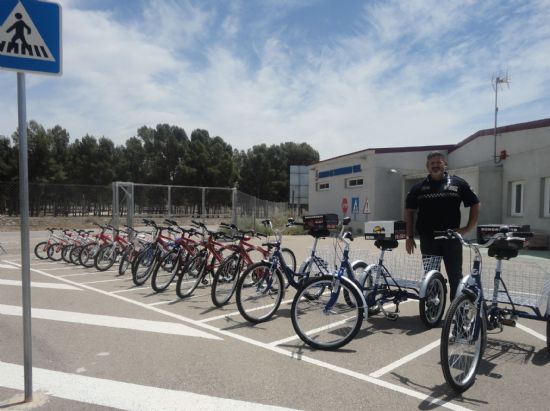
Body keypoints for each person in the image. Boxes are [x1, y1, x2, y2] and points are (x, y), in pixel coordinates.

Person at [404, 151, 480, 301]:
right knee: (431, 277)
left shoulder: (458, 183)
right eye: (432, 163)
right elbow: (409, 212)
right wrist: (409, 236)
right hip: (428, 239)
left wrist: (467, 228)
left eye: (439, 163)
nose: (436, 166)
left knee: (455, 277)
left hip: (451, 239)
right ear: (427, 166)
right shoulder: (418, 188)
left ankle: (456, 313)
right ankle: (433, 308)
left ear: (445, 164)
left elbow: (475, 203)